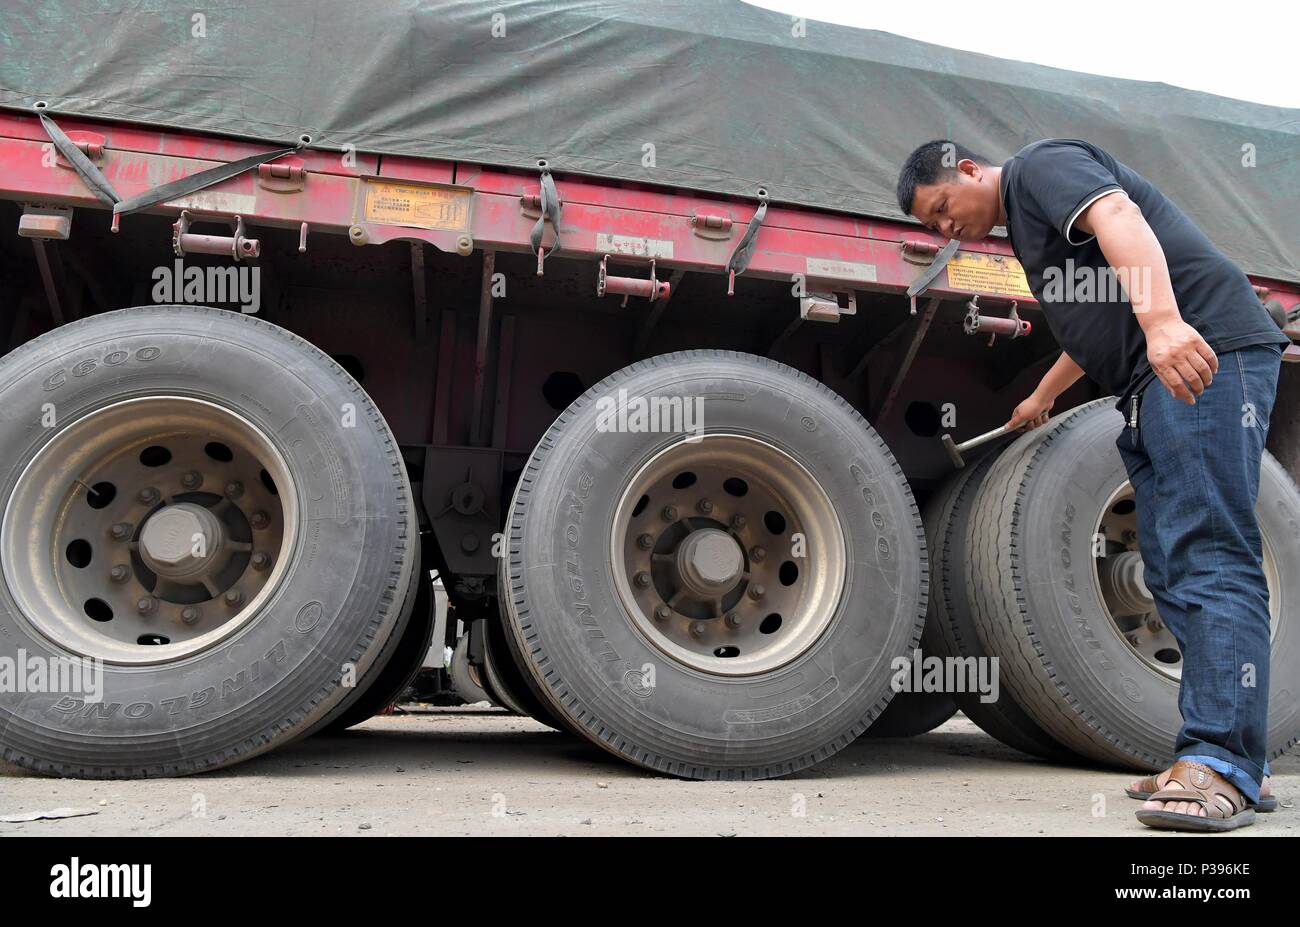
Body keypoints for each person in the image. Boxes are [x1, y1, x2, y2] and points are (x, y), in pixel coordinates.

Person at [896, 138, 1290, 831]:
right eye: (932, 227)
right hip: (1150, 382)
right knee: (1171, 567)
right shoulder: (1025, 225)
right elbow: (1089, 328)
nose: (943, 230)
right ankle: (1233, 760)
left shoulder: (1041, 167)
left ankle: (1221, 761)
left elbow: (1119, 218)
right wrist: (1042, 396)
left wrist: (1164, 324)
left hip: (1203, 354)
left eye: (940, 209)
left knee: (1208, 554)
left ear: (965, 169)